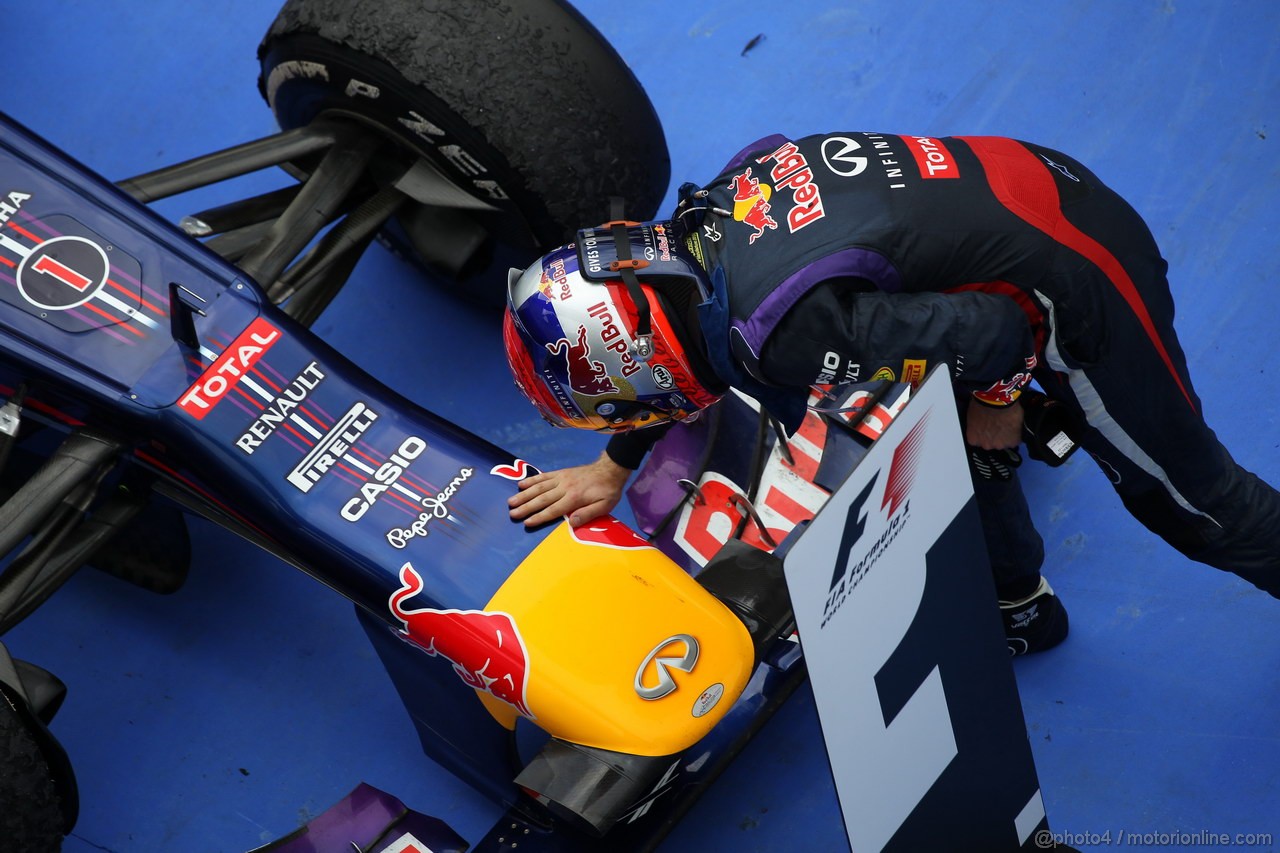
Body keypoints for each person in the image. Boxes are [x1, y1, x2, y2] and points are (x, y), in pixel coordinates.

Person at [502, 131, 1280, 655]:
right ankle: (1020, 604)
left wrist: (1003, 397)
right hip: (1027, 177)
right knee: (940, 405)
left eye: (618, 395)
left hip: (1075, 276)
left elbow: (997, 337)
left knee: (1195, 505)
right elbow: (775, 175)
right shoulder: (708, 212)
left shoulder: (780, 334)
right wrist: (615, 465)